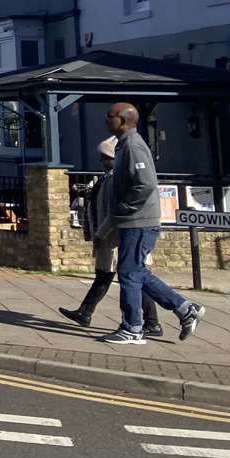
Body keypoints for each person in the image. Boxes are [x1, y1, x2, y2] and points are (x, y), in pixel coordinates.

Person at [98, 102, 205, 346]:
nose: (106, 120)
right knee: (137, 272)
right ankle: (185, 309)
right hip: (132, 221)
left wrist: (125, 208)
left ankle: (132, 328)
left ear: (122, 121)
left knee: (128, 273)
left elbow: (145, 185)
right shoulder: (125, 145)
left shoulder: (134, 146)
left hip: (138, 221)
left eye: (110, 116)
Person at [59, 136, 160, 336]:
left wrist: (100, 233)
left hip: (116, 237)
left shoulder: (116, 179)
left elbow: (113, 211)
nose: (102, 161)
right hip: (110, 236)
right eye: (102, 157)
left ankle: (152, 322)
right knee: (107, 276)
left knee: (131, 278)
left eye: (106, 157)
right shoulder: (108, 178)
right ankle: (85, 312)